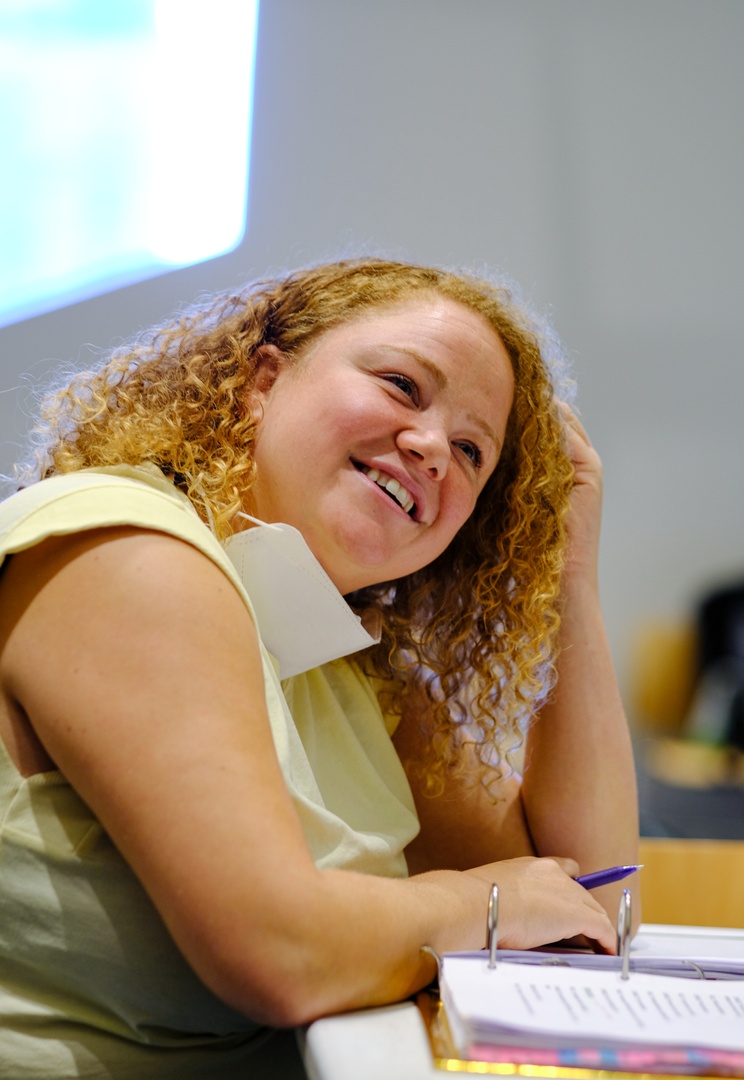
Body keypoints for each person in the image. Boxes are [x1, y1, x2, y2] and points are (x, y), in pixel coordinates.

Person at [0, 257, 639, 1078]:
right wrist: (488, 902)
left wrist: (568, 569)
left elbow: (591, 903)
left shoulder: (341, 661)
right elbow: (279, 952)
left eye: (474, 452)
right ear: (264, 379)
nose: (433, 446)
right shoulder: (127, 553)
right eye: (404, 387)